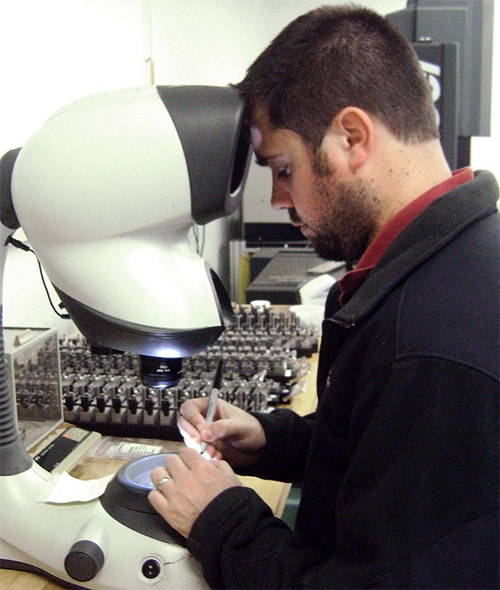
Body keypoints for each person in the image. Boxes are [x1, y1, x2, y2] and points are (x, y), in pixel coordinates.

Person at [148, 5, 499, 588]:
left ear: (352, 137)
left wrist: (222, 519)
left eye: (282, 168)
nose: (279, 199)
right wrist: (272, 443)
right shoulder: (438, 269)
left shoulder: (433, 346)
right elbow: (386, 454)